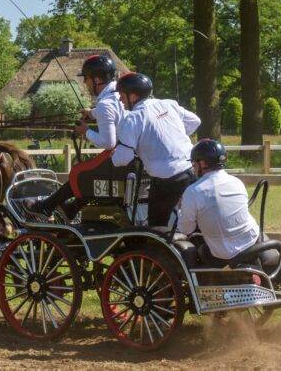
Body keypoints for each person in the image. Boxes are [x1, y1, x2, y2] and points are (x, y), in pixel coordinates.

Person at [26, 55, 124, 216]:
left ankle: (46, 207)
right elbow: (113, 112)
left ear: (97, 80)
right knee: (88, 175)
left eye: (86, 78)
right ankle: (71, 208)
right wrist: (92, 113)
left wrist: (86, 131)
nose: (84, 83)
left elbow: (108, 143)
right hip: (128, 155)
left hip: (117, 155)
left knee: (80, 173)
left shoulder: (105, 104)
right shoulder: (119, 95)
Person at [111, 73, 200, 226]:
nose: (120, 100)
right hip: (192, 169)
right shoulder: (168, 104)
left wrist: (113, 155)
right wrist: (173, 138)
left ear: (133, 96)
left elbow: (123, 159)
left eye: (122, 96)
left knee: (157, 226)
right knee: (195, 218)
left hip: (168, 179)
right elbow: (195, 121)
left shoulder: (133, 118)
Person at [177, 139, 261, 266]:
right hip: (252, 241)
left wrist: (180, 209)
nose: (193, 168)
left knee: (198, 246)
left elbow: (186, 229)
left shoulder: (193, 191)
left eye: (194, 164)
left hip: (223, 254)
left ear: (203, 163)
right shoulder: (237, 182)